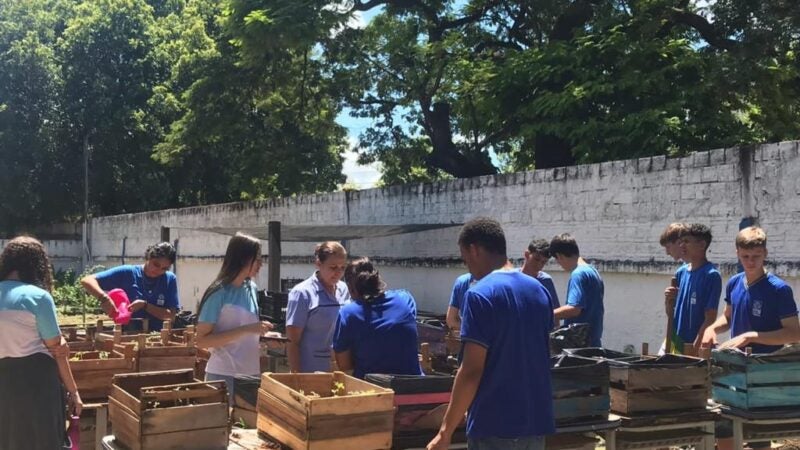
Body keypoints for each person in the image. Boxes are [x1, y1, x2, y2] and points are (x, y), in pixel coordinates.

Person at [428, 218, 554, 450]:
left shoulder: (479, 295)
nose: (467, 265)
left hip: (495, 424)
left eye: (465, 258)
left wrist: (445, 432)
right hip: (535, 422)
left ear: (474, 249)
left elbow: (471, 371)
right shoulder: (539, 291)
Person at [701, 226, 800, 450]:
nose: (751, 261)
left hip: (765, 374)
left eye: (756, 256)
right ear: (737, 253)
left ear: (765, 253)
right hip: (734, 369)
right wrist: (712, 329)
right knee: (724, 423)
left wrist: (751, 336)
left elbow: (794, 333)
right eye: (745, 256)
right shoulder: (734, 282)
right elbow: (727, 317)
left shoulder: (779, 289)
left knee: (758, 435)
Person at [0, 236, 83, 450]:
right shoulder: (38, 298)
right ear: (38, 265)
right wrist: (74, 392)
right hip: (37, 387)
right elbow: (58, 351)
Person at [195, 233, 273, 400]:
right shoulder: (218, 293)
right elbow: (201, 341)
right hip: (223, 376)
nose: (261, 264)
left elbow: (247, 332)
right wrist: (248, 329)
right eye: (257, 258)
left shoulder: (251, 288)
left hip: (251, 376)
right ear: (242, 258)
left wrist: (264, 336)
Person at [333, 257, 423, 379]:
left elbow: (345, 366)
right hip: (415, 387)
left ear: (350, 288)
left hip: (372, 390)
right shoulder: (405, 299)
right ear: (377, 279)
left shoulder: (347, 314)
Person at [81, 242, 179, 331]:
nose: (159, 270)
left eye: (164, 268)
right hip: (127, 335)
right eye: (156, 264)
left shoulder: (169, 279)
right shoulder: (127, 273)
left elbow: (171, 316)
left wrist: (145, 305)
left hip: (157, 338)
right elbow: (87, 280)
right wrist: (104, 298)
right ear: (148, 257)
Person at [286, 241, 351, 372]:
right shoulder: (302, 293)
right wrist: (296, 377)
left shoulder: (344, 289)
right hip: (310, 371)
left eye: (342, 268)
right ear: (319, 264)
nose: (338, 273)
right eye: (333, 267)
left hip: (338, 370)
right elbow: (292, 342)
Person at [663, 224, 721, 355]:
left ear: (702, 245)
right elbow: (671, 314)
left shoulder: (711, 275)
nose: (682, 245)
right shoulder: (680, 273)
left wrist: (697, 344)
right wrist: (668, 300)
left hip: (696, 346)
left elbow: (710, 318)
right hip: (677, 343)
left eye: (687, 241)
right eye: (681, 241)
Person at [551, 233, 605, 347]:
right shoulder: (592, 271)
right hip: (593, 342)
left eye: (557, 260)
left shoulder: (578, 274)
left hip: (579, 346)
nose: (559, 264)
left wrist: (546, 314)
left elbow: (574, 308)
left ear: (559, 256)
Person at [519, 238, 559, 310]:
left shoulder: (546, 280)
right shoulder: (512, 277)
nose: (539, 265)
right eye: (536, 259)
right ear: (527, 254)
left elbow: (554, 312)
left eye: (544, 262)